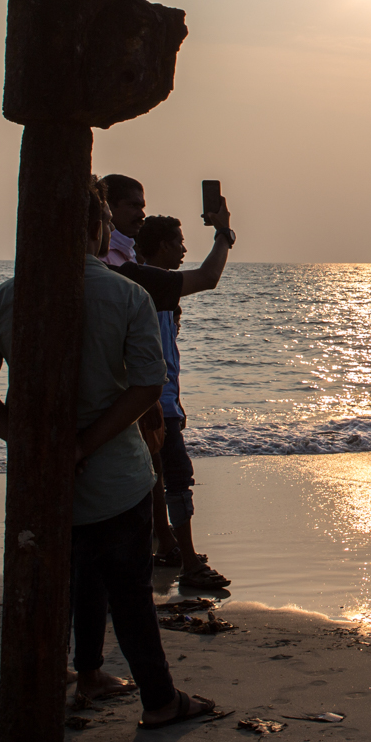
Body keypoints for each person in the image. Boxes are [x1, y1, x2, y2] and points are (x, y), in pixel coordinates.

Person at [0, 178, 214, 729]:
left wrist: (30, 445)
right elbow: (147, 384)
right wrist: (85, 445)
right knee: (129, 592)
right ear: (100, 227)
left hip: (41, 479)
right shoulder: (125, 294)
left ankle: (71, 677)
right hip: (116, 472)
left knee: (63, 580)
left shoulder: (6, 297)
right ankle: (158, 700)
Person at [115, 207, 235, 590]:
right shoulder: (150, 282)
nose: (184, 249)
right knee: (177, 476)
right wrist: (224, 233)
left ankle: (166, 543)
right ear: (163, 246)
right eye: (179, 243)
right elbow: (209, 277)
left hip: (146, 399)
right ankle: (187, 560)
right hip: (157, 401)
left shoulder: (137, 281)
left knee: (155, 476)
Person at [99, 173, 147, 268]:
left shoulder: (128, 251)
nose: (142, 214)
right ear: (108, 206)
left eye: (142, 207)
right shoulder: (100, 254)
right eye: (133, 205)